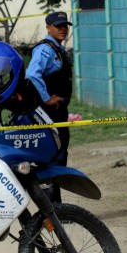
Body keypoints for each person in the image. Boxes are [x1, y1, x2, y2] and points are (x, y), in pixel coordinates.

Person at [26, 11, 73, 167]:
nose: (63, 29)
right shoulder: (46, 49)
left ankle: (54, 187)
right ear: (48, 28)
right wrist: (47, 98)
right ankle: (50, 187)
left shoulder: (56, 48)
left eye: (65, 26)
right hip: (50, 111)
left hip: (58, 110)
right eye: (58, 26)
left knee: (60, 149)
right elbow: (32, 74)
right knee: (56, 151)